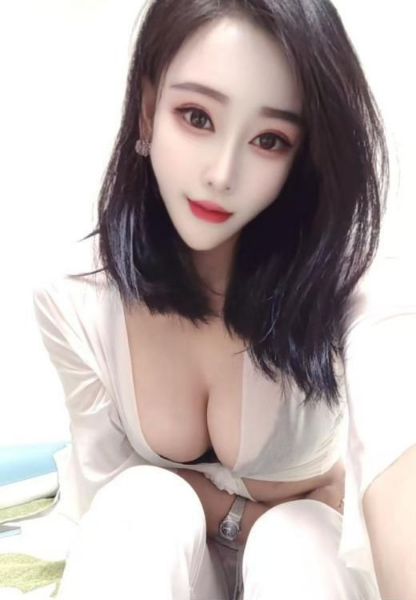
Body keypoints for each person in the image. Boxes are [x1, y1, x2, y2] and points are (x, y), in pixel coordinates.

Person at [32, 0, 416, 599]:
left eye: (269, 139)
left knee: (300, 535)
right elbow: (107, 489)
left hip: (306, 572)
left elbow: (401, 464)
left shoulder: (353, 282)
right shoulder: (77, 297)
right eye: (197, 117)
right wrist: (246, 515)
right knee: (142, 500)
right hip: (167, 567)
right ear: (146, 111)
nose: (221, 174)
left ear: (303, 156)